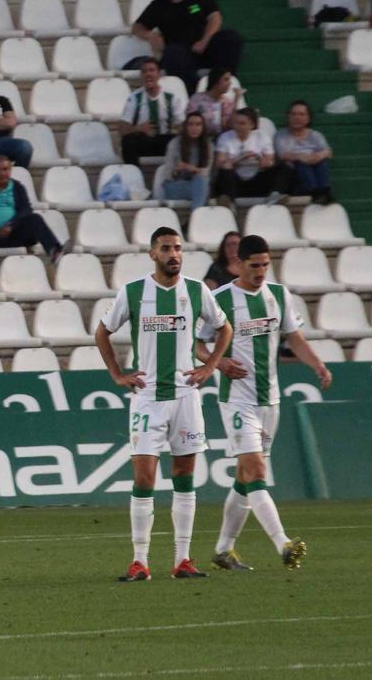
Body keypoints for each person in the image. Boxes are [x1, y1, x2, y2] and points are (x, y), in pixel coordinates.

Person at [95, 226, 232, 583]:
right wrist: (117, 374)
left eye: (178, 248)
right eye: (166, 248)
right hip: (148, 398)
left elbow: (224, 328)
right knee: (144, 478)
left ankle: (183, 560)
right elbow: (102, 332)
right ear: (152, 254)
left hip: (186, 396)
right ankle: (139, 561)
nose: (174, 254)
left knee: (184, 477)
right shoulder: (134, 292)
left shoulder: (196, 290)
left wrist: (210, 365)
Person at [203, 234, 328, 572]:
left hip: (269, 400)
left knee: (245, 479)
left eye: (265, 265)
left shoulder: (278, 295)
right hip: (236, 400)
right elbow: (195, 343)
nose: (260, 271)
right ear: (239, 264)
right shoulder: (220, 299)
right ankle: (284, 544)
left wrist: (316, 363)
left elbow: (294, 338)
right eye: (254, 265)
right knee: (257, 471)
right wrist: (220, 362)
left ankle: (224, 550)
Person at [132, 0, 243, 87]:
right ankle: (191, 95)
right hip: (179, 54)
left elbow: (215, 18)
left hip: (205, 48)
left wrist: (204, 41)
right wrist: (150, 35)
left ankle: (227, 83)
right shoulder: (159, 5)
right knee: (173, 52)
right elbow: (137, 27)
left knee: (230, 37)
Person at [0, 155, 63, 261]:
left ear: (10, 170)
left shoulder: (18, 187)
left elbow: (26, 210)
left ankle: (54, 251)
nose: (2, 173)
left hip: (13, 233)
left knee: (35, 219)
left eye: (5, 169)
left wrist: (11, 226)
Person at [214, 108, 288, 209]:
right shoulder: (225, 138)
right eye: (235, 123)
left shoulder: (262, 137)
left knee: (283, 167)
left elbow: (269, 162)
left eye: (242, 123)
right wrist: (240, 157)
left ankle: (274, 195)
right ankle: (229, 202)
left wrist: (258, 157)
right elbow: (220, 163)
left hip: (256, 182)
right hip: (235, 183)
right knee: (225, 170)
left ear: (252, 125)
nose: (238, 127)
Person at [119, 58, 186, 165]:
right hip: (144, 142)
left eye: (151, 70)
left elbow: (182, 124)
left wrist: (178, 128)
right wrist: (139, 128)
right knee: (128, 141)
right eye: (144, 71)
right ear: (141, 76)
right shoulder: (134, 97)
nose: (148, 74)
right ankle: (134, 177)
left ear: (159, 74)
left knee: (183, 141)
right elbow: (122, 130)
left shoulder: (171, 97)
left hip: (165, 140)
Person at [275, 101, 334, 204]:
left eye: (301, 114)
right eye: (293, 114)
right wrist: (301, 157)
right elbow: (282, 154)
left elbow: (327, 151)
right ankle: (314, 192)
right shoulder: (280, 135)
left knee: (321, 162)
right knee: (301, 163)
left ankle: (324, 191)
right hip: (294, 178)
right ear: (288, 116)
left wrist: (318, 156)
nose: (297, 117)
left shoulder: (315, 135)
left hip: (314, 167)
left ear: (308, 118)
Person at [160, 112, 212, 210]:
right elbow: (167, 176)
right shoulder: (175, 143)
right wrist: (177, 170)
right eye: (191, 124)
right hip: (176, 186)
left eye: (198, 124)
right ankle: (196, 219)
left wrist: (192, 169)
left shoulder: (208, 145)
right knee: (202, 186)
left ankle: (194, 217)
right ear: (185, 126)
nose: (194, 128)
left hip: (198, 185)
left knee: (201, 182)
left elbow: (207, 172)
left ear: (203, 127)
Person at [186, 66, 240, 138]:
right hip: (200, 138)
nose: (229, 83)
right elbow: (190, 120)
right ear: (216, 81)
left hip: (220, 140)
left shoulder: (227, 102)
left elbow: (228, 127)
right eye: (226, 80)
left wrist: (236, 101)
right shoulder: (197, 99)